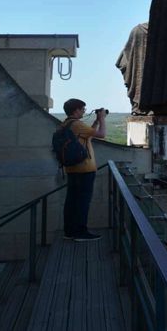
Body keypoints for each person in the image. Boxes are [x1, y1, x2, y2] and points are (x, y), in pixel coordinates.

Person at [61, 98, 106, 242]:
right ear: (76, 110)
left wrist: (96, 121)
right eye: (83, 109)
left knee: (72, 201)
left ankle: (69, 231)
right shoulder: (77, 124)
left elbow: (88, 137)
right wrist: (102, 119)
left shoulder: (65, 124)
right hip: (84, 169)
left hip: (71, 168)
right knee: (83, 202)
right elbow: (101, 135)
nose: (84, 111)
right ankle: (81, 232)